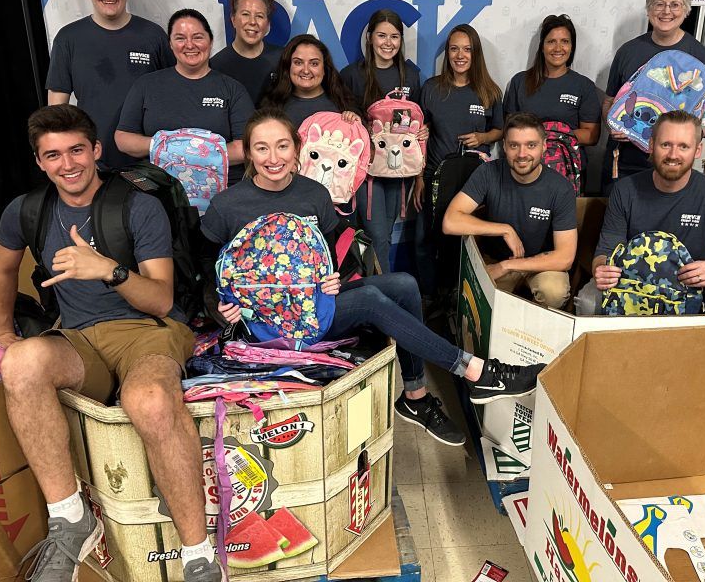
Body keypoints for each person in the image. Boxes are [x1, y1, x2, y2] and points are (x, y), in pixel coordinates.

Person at [201, 109, 544, 447]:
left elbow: (326, 252)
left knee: (405, 283)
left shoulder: (314, 194)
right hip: (265, 322)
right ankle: (474, 370)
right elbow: (205, 269)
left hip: (312, 304)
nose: (273, 157)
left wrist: (333, 276)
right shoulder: (227, 204)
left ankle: (415, 395)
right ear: (248, 152)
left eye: (282, 146)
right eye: (262, 148)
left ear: (297, 148)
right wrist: (220, 306)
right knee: (370, 301)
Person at [0, 105, 225, 582]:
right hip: (79, 338)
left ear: (96, 150)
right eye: (52, 154)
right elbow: (2, 270)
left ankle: (199, 556)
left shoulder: (138, 206)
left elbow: (160, 299)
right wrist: (2, 332)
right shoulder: (27, 209)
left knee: (152, 399)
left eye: (77, 149)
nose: (67, 163)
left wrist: (108, 270)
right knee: (21, 363)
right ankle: (71, 519)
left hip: (147, 333)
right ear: (39, 161)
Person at [579, 110, 705, 314]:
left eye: (683, 146)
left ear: (697, 150)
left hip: (681, 299)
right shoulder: (625, 190)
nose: (673, 155)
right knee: (587, 302)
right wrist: (602, 269)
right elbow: (606, 251)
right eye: (665, 144)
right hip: (628, 292)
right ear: (651, 145)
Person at [46, 0, 174, 169]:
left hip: (151, 162)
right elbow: (56, 112)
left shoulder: (153, 35)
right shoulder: (68, 39)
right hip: (95, 162)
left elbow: (175, 94)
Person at [443, 112, 578, 310]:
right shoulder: (488, 172)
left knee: (553, 291)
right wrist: (504, 229)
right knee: (478, 300)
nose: (522, 154)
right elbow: (450, 222)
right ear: (505, 146)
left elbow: (565, 257)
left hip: (540, 264)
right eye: (514, 145)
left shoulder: (561, 188)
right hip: (496, 258)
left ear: (544, 146)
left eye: (531, 145)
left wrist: (508, 265)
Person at [601, 0, 705, 194]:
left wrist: (687, 141)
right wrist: (612, 125)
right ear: (649, 9)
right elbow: (610, 101)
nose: (666, 12)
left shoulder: (701, 58)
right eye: (659, 4)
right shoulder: (628, 52)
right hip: (624, 162)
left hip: (671, 168)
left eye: (675, 5)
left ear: (686, 10)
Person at [115, 9, 254, 184]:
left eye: (197, 37)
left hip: (220, 192)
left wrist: (194, 153)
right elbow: (123, 138)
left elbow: (246, 146)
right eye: (180, 38)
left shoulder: (232, 89)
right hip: (158, 189)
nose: (189, 45)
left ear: (210, 42)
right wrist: (166, 148)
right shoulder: (146, 85)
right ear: (171, 44)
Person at [415, 24, 503, 296]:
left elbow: (500, 130)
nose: (460, 55)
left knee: (462, 242)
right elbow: (418, 136)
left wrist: (482, 137)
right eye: (454, 48)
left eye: (467, 49)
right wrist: (418, 178)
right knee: (424, 240)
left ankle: (456, 298)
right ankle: (428, 300)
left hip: (471, 182)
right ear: (447, 53)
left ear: (475, 54)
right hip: (433, 177)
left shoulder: (489, 91)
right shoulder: (431, 88)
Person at [340, 9, 426, 273]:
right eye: (381, 35)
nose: (388, 43)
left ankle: (376, 289)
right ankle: (382, 293)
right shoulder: (351, 75)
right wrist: (348, 116)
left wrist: (423, 132)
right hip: (367, 171)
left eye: (395, 36)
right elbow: (342, 125)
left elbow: (417, 119)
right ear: (370, 38)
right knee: (376, 234)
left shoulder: (410, 75)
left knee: (386, 234)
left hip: (398, 168)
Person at [503, 14, 601, 151]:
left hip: (568, 167)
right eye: (551, 41)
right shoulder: (519, 82)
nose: (558, 48)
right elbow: (509, 129)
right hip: (526, 164)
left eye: (565, 41)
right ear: (542, 47)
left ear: (572, 47)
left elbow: (591, 135)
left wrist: (549, 134)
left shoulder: (584, 86)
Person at [261, 34, 363, 128]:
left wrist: (357, 126)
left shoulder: (344, 105)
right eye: (298, 62)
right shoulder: (271, 107)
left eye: (314, 64)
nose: (305, 70)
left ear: (325, 68)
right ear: (288, 67)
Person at [210, 0, 283, 105]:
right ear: (233, 19)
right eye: (245, 14)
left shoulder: (283, 59)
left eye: (259, 16)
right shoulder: (216, 66)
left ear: (267, 24)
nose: (252, 22)